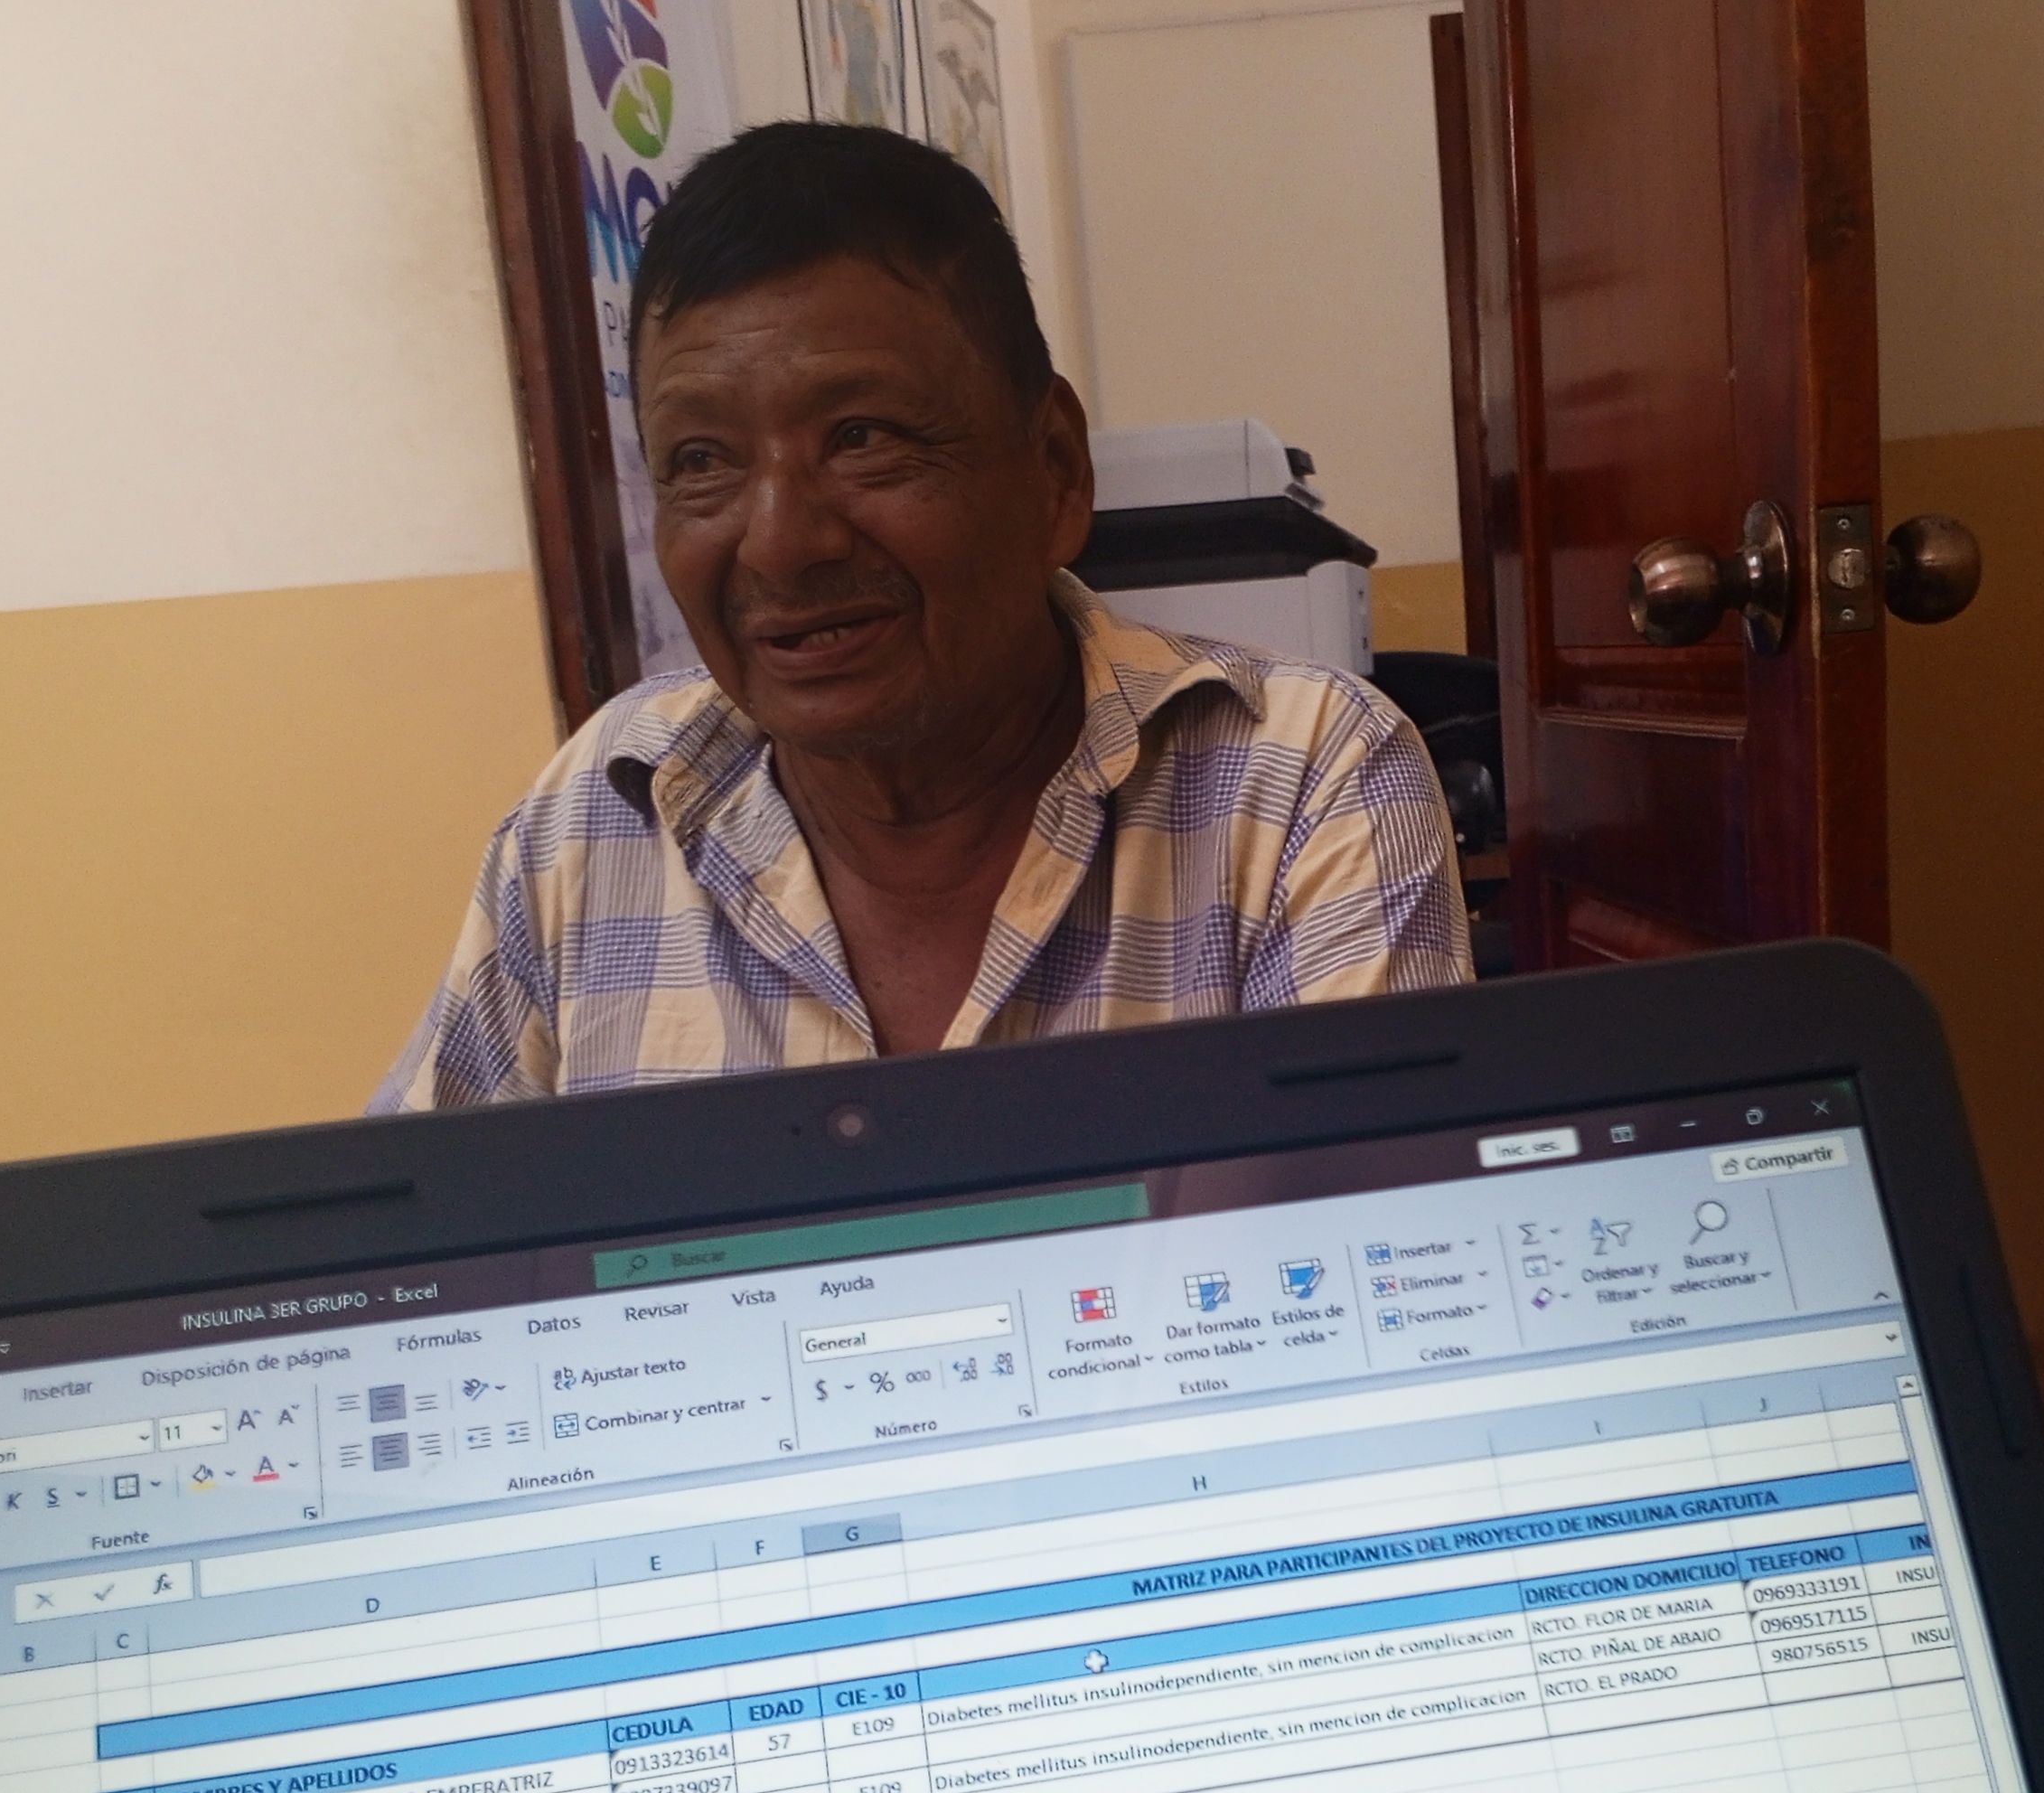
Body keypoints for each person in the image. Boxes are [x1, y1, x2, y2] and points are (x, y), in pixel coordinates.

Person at [375, 121, 1467, 1109]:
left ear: (1052, 470)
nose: (779, 542)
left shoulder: (1298, 781)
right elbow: (434, 1236)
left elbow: (1383, 1223)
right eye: (701, 460)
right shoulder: (600, 814)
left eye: (862, 438)